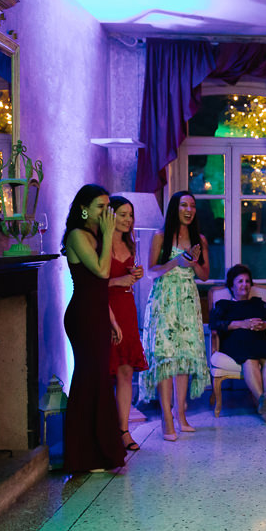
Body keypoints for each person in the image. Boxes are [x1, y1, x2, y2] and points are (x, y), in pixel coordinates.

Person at [61, 184, 126, 472]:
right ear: (84, 208)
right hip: (83, 316)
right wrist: (110, 234)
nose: (106, 213)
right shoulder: (77, 235)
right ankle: (83, 456)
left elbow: (100, 287)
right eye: (101, 207)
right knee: (90, 381)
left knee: (99, 380)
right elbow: (101, 272)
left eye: (107, 206)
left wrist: (111, 319)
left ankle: (97, 453)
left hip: (97, 314)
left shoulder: (95, 235)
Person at [139, 191, 210, 442]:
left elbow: (204, 276)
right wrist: (176, 262)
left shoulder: (199, 238)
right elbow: (150, 272)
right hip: (165, 300)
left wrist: (193, 263)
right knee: (166, 358)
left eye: (192, 206)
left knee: (185, 357)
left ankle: (181, 414)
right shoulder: (161, 236)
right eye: (184, 205)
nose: (189, 210)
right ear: (175, 208)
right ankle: (166, 418)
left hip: (188, 301)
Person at [209, 264, 266, 422]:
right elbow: (215, 323)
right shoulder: (224, 305)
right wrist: (242, 324)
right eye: (240, 281)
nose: (244, 285)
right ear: (232, 285)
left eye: (247, 281)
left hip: (259, 340)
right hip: (237, 342)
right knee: (250, 358)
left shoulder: (257, 303)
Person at [107, 195, 148, 452]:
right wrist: (118, 281)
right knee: (104, 370)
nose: (128, 220)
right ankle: (104, 431)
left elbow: (127, 281)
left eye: (130, 215)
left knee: (126, 372)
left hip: (127, 310)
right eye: (122, 214)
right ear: (110, 215)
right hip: (103, 309)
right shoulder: (98, 244)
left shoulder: (131, 245)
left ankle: (124, 430)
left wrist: (135, 276)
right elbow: (91, 285)